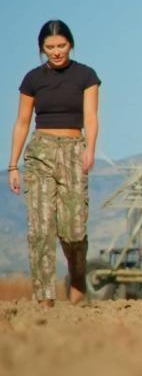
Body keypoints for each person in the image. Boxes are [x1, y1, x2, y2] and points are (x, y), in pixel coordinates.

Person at [8, 20, 101, 307]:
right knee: (40, 228)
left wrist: (90, 150)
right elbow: (22, 122)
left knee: (73, 230)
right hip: (41, 153)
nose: (57, 51)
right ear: (41, 49)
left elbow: (91, 118)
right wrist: (12, 165)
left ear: (70, 44)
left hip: (74, 151)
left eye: (61, 45)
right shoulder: (32, 79)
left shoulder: (86, 76)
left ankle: (77, 276)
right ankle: (44, 299)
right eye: (50, 47)